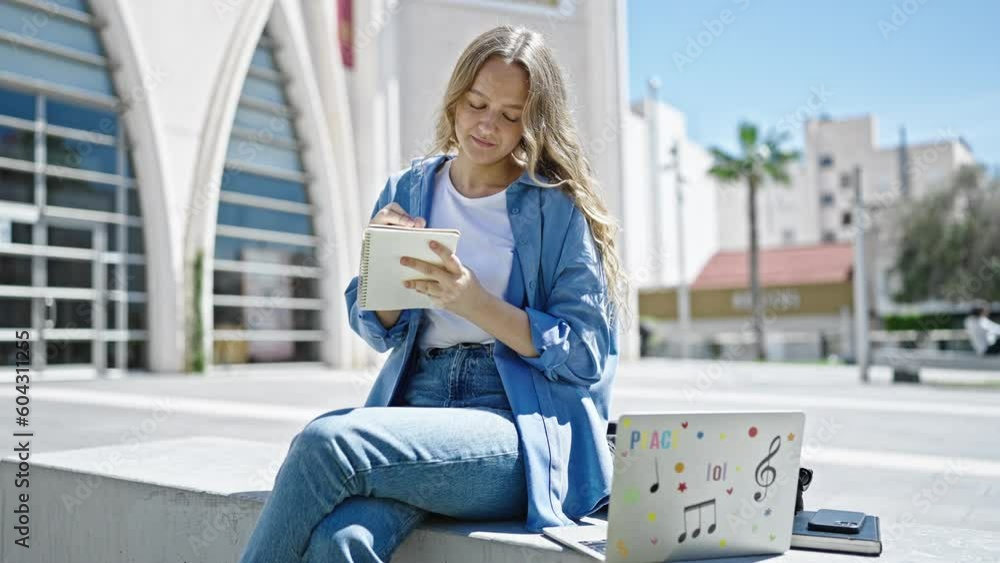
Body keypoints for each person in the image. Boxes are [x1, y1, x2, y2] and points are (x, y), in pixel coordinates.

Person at [239, 25, 627, 563]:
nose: (488, 124)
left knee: (326, 443)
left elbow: (586, 354)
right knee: (342, 542)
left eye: (511, 115)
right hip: (416, 402)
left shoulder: (553, 208)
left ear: (533, 123)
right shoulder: (410, 187)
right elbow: (377, 328)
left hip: (512, 424)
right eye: (477, 103)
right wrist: (384, 266)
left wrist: (475, 303)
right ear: (456, 97)